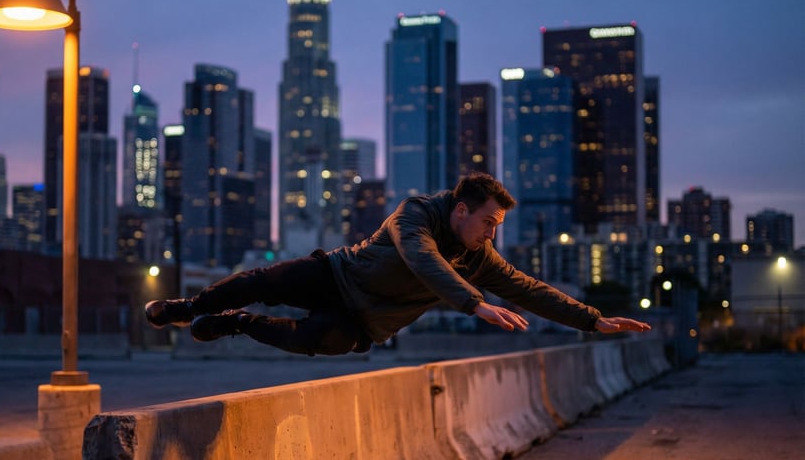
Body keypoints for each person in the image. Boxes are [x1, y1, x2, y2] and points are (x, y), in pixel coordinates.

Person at [145, 173, 650, 355]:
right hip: (339, 274)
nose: (493, 233)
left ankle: (237, 325)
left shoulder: (481, 257)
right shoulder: (414, 216)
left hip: (365, 319)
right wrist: (474, 305)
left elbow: (529, 289)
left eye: (498, 225)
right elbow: (423, 260)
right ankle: (191, 307)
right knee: (264, 280)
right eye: (489, 221)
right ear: (460, 210)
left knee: (312, 342)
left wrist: (592, 319)